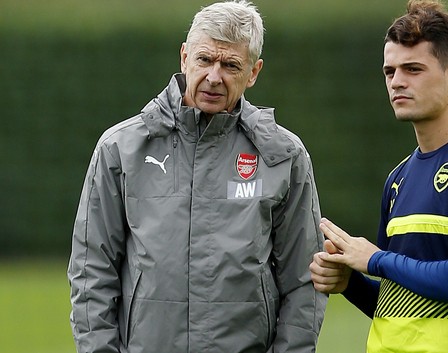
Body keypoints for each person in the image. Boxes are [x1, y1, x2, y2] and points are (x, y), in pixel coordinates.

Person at [67, 1, 327, 352]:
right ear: (184, 57)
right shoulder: (121, 147)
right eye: (205, 60)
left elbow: (305, 280)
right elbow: (91, 272)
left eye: (231, 65)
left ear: (253, 72)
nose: (214, 77)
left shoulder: (284, 156)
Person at [309, 1, 448, 352]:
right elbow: (399, 304)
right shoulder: (398, 178)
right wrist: (350, 283)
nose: (397, 82)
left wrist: (375, 259)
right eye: (389, 71)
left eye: (413, 69)